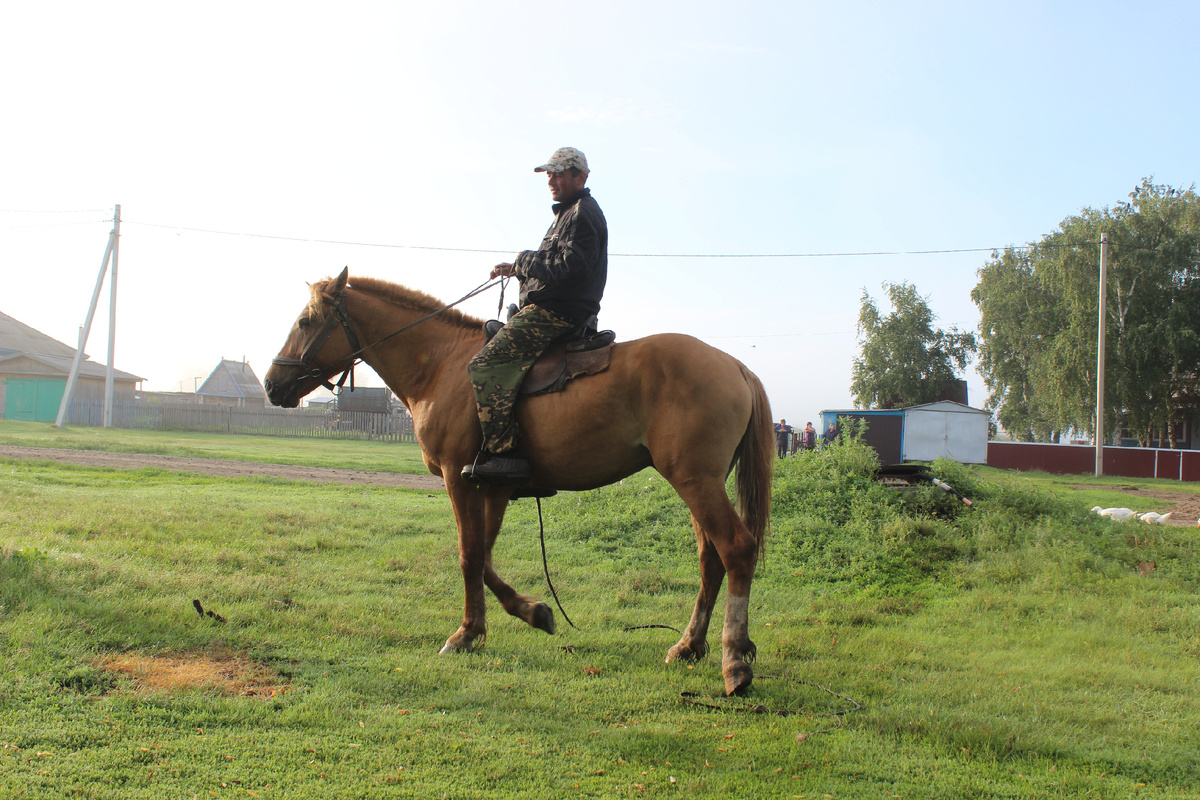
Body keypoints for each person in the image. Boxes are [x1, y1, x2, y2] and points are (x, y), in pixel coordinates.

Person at [462, 147, 608, 484]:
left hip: (559, 314)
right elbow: (555, 268)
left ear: (580, 177)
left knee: (485, 364)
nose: (552, 180)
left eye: (559, 173)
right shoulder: (567, 214)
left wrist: (524, 260)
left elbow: (572, 268)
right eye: (549, 174)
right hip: (552, 307)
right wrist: (516, 269)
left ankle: (505, 454)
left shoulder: (582, 213)